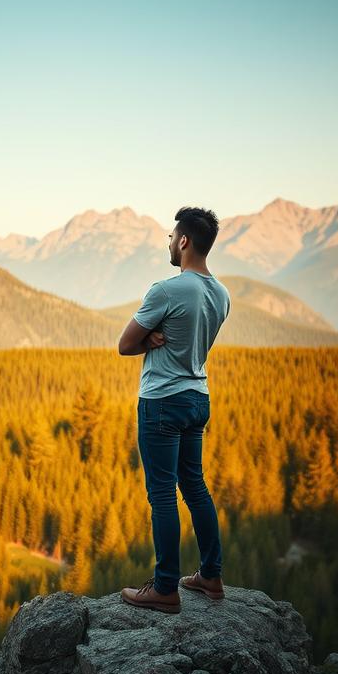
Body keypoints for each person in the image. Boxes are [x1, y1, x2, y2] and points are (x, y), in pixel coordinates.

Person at [116, 206, 231, 614]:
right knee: (195, 487)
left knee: (162, 494)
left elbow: (125, 344)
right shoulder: (221, 293)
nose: (168, 243)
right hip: (198, 398)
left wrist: (149, 341)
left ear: (183, 241)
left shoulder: (166, 290)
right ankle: (210, 575)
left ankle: (165, 587)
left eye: (170, 237)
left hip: (162, 400)